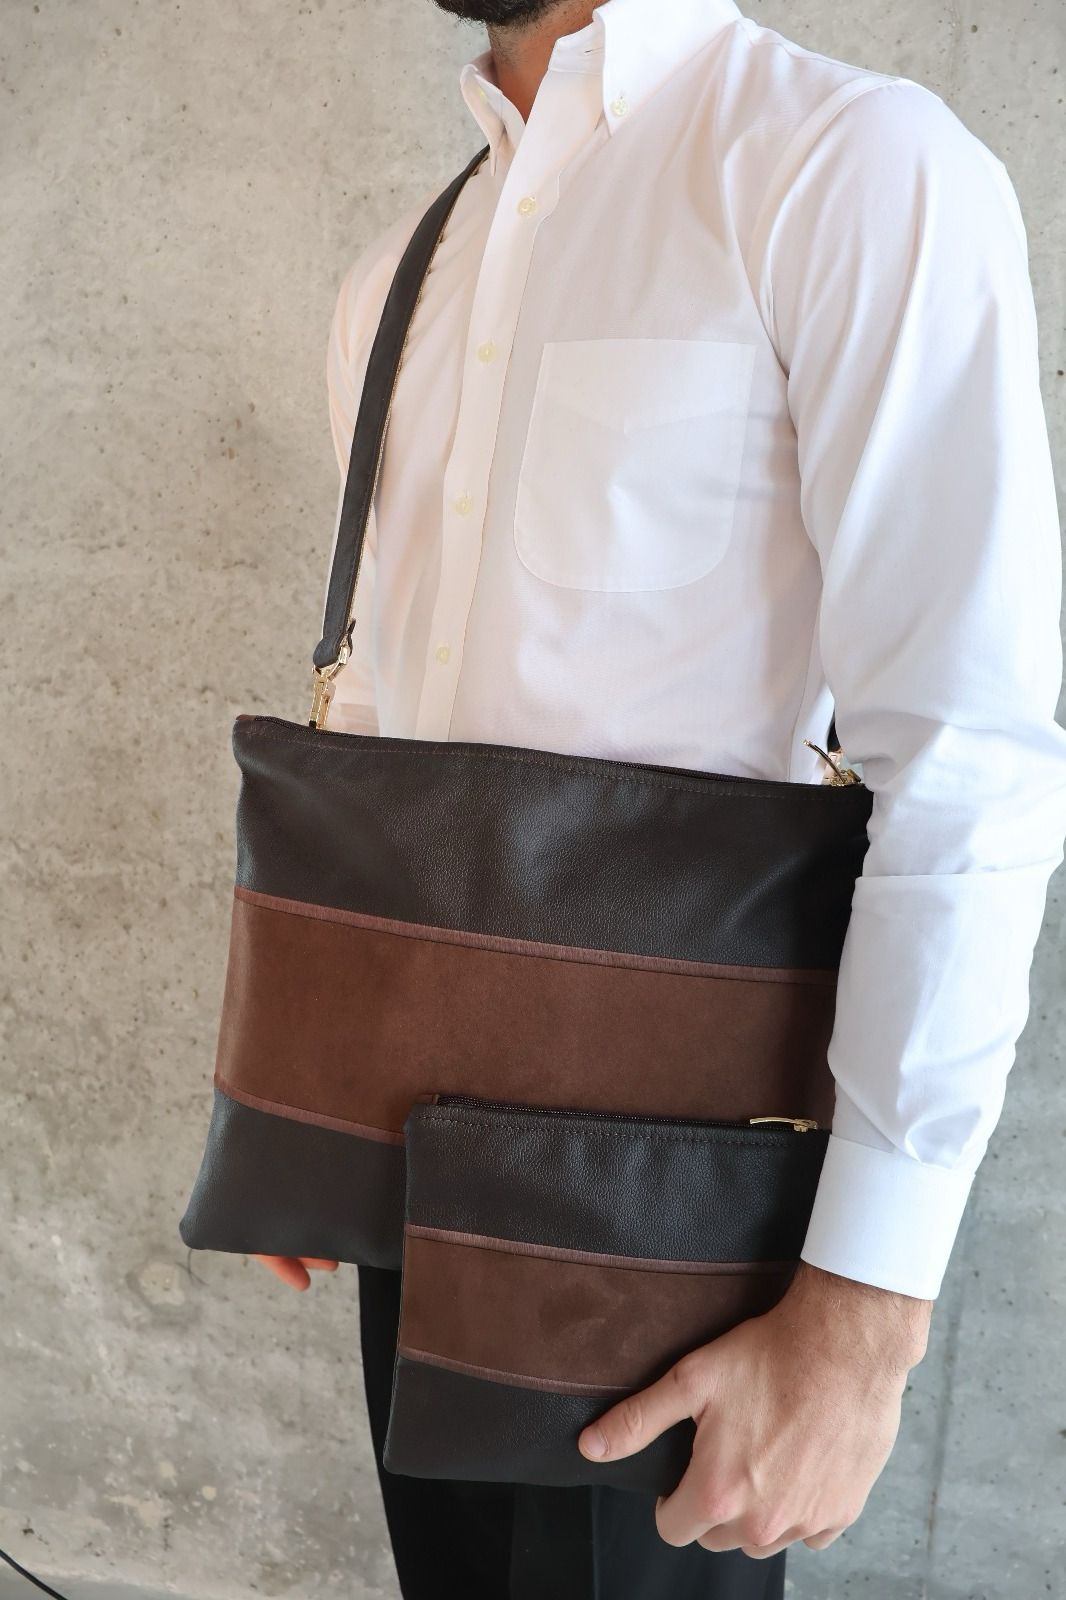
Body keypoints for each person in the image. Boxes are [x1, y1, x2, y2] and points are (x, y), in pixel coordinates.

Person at [255, 0, 1066, 1595]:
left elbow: (966, 755)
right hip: (410, 1177)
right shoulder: (398, 277)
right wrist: (316, 1092)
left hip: (681, 1205)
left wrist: (865, 1317)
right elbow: (393, 735)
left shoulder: (849, 165)